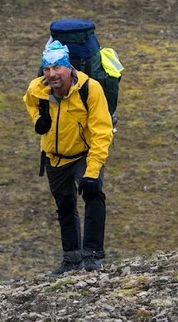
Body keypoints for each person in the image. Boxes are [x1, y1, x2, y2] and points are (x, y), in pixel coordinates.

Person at [24, 39, 115, 275]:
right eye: (47, 69)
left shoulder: (90, 88)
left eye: (56, 68)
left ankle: (92, 257)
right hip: (54, 157)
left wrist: (92, 172)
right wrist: (37, 121)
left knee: (94, 197)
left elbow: (102, 131)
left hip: (84, 154)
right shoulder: (38, 88)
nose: (52, 74)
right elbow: (29, 102)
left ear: (69, 68)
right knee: (64, 206)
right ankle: (71, 259)